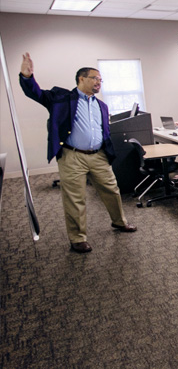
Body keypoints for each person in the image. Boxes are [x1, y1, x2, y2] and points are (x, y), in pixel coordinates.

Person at [18, 52, 137, 253]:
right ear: (81, 79)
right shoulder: (61, 98)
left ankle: (119, 222)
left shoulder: (102, 105)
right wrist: (27, 77)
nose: (99, 82)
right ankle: (77, 238)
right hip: (72, 156)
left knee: (112, 190)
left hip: (98, 155)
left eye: (101, 79)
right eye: (95, 78)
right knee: (75, 198)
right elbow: (36, 93)